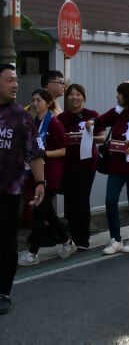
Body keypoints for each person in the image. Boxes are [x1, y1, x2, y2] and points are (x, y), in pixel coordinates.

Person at [0, 63, 46, 314]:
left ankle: (3, 292)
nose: (15, 84)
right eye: (9, 80)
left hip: (9, 191)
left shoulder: (22, 117)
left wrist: (40, 182)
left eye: (16, 80)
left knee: (7, 242)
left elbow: (35, 153)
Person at [17, 88, 74, 267]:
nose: (35, 103)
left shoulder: (54, 123)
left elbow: (64, 150)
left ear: (48, 103)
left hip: (51, 173)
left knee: (39, 212)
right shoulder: (33, 122)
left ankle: (33, 252)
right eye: (33, 100)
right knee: (47, 211)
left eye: (39, 100)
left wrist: (45, 153)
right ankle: (67, 241)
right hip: (36, 173)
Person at [89, 82, 129, 255]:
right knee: (110, 201)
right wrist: (91, 122)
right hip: (116, 165)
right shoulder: (117, 111)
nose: (116, 96)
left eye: (119, 93)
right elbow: (101, 121)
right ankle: (116, 239)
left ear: (127, 96)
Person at [57, 84, 103, 251]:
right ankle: (70, 238)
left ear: (84, 97)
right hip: (67, 163)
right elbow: (57, 139)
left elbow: (101, 138)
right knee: (70, 200)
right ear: (67, 98)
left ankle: (83, 239)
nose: (74, 97)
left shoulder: (92, 115)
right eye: (71, 95)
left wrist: (86, 136)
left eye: (78, 94)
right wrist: (68, 138)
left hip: (87, 164)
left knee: (82, 200)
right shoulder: (61, 117)